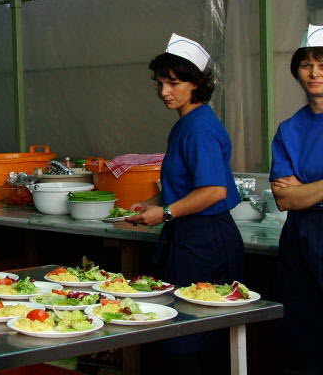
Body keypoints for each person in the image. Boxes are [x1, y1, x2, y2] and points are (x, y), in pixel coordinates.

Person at [127, 34, 243, 373]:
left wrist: (164, 213)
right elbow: (185, 184)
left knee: (192, 338)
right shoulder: (186, 124)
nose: (165, 92)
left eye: (174, 83)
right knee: (184, 331)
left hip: (206, 241)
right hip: (189, 238)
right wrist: (149, 203)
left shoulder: (200, 128)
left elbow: (213, 191)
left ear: (197, 84)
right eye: (160, 83)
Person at [270, 24, 323, 373]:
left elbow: (295, 193)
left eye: (322, 65)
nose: (314, 73)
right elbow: (284, 199)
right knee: (304, 330)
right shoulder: (289, 129)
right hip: (299, 236)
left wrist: (304, 188)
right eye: (307, 65)